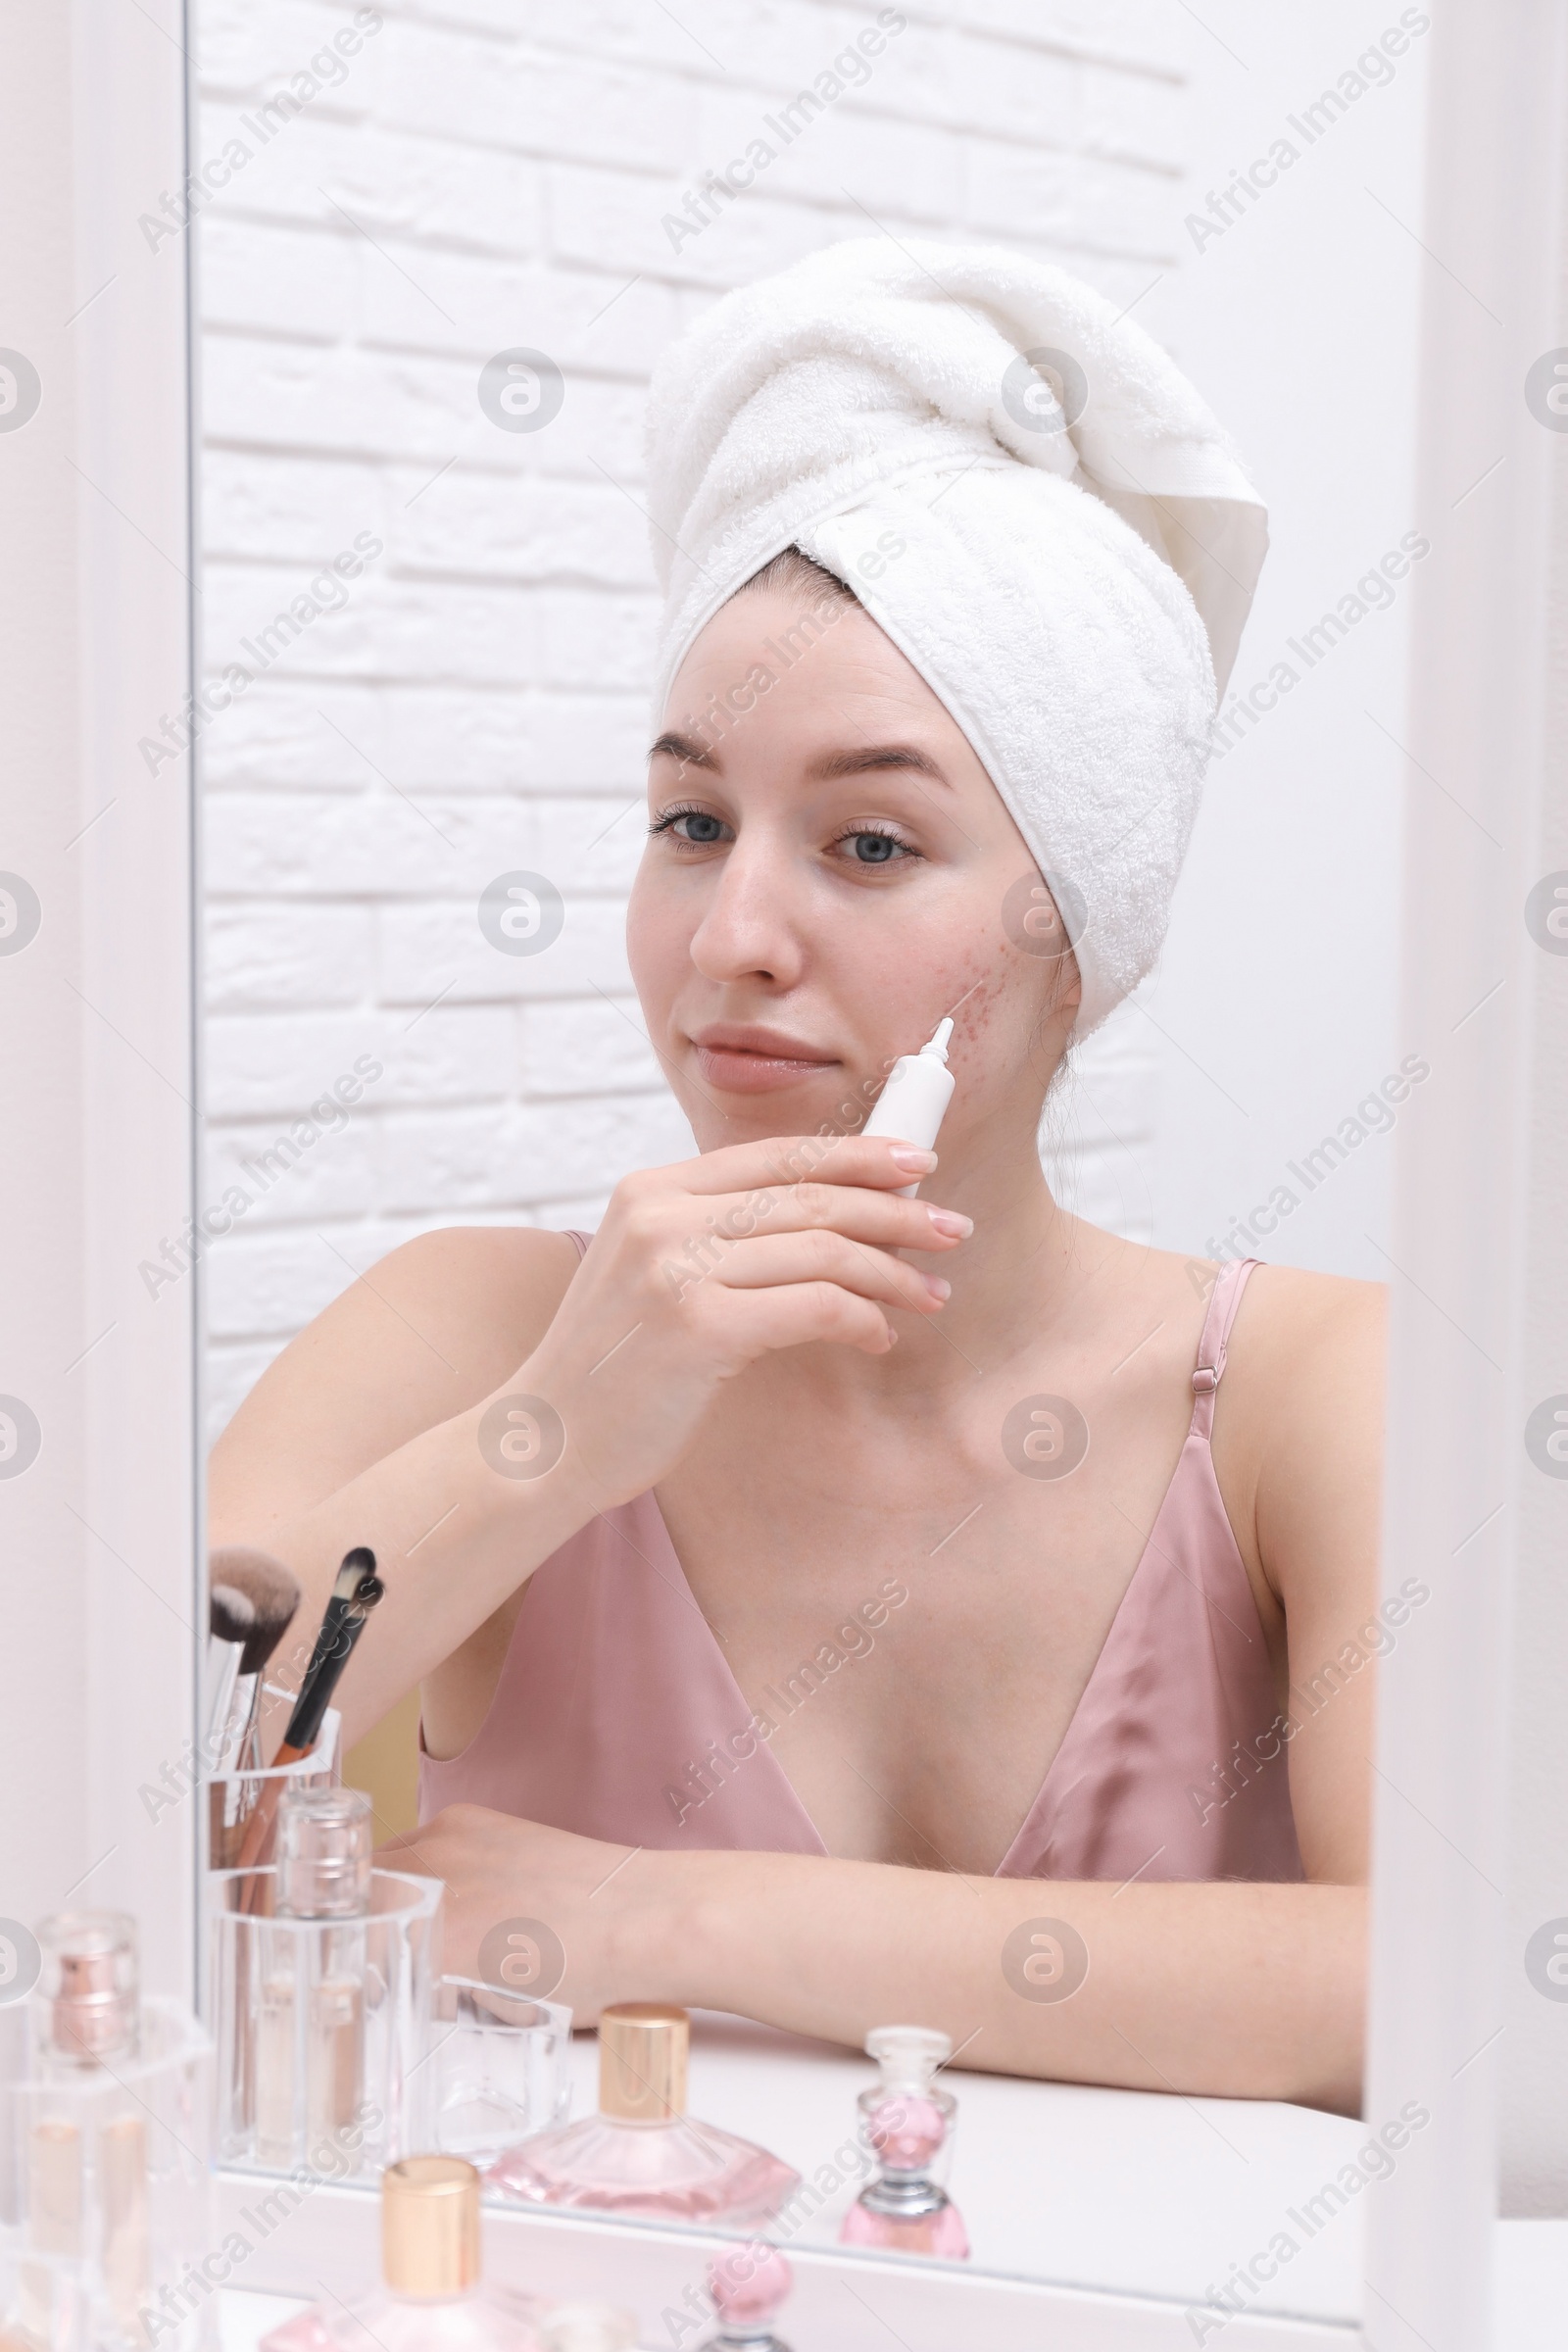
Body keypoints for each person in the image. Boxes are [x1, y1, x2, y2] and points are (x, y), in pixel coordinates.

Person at [210, 241, 1382, 2115]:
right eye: (692, 822)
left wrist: (661, 1919)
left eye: (867, 840)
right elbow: (122, 1783)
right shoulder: (464, 1329)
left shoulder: (1313, 1399)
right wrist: (548, 1443)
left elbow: (1448, 1986)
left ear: (1082, 927)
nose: (732, 931)